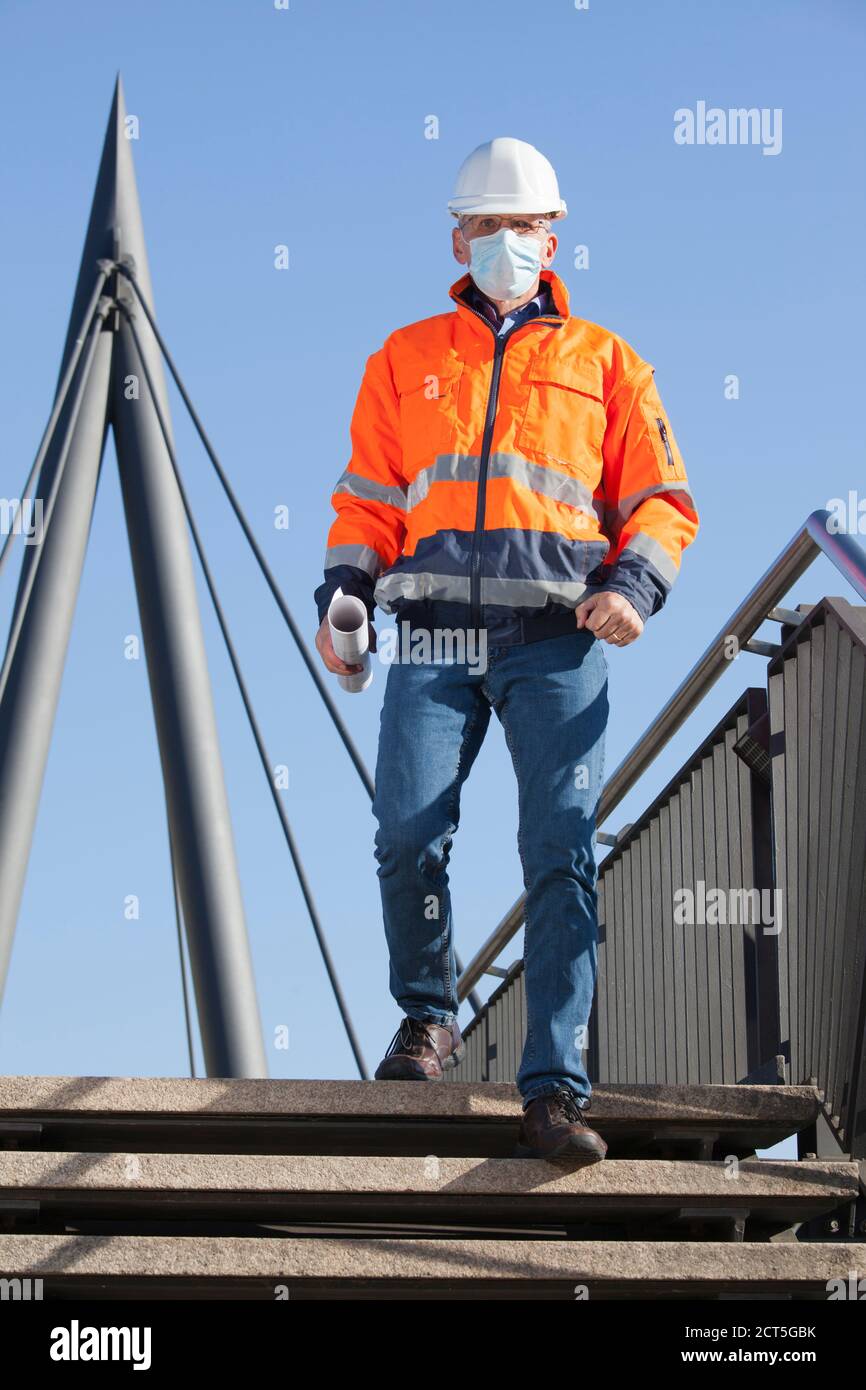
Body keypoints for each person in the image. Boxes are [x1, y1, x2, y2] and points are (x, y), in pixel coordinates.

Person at [314, 138, 698, 1164]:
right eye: (485, 226)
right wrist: (344, 596)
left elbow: (660, 501)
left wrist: (631, 586)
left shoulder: (607, 363)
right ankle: (428, 1016)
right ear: (456, 237)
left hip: (556, 637)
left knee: (559, 851)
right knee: (405, 833)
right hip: (430, 630)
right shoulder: (402, 360)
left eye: (519, 226)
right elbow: (366, 502)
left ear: (551, 236)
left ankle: (553, 1088)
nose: (503, 243)